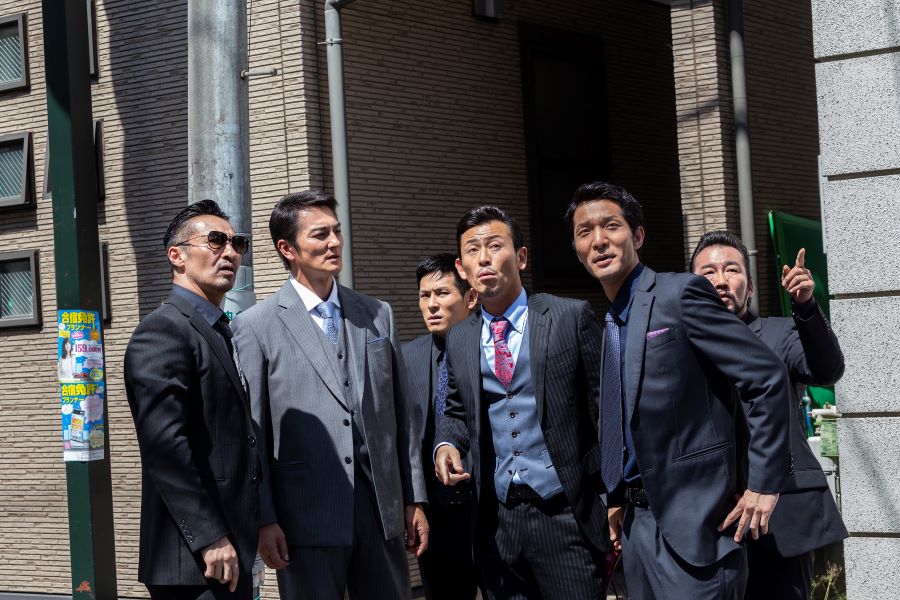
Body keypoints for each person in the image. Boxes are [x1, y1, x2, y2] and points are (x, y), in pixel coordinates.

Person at [567, 181, 793, 600]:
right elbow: (622, 415)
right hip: (637, 529)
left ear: (637, 236)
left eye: (611, 226)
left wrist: (764, 483)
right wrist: (616, 495)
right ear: (577, 250)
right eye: (585, 232)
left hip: (699, 529)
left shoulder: (680, 294)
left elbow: (766, 376)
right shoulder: (612, 321)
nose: (598, 240)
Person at [232, 190, 428, 600]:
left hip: (381, 511)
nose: (335, 242)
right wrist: (264, 519)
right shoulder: (256, 326)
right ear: (288, 249)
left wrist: (414, 498)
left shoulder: (377, 314)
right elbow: (253, 434)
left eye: (336, 231)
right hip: (304, 519)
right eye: (320, 234)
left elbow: (401, 416)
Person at [434, 206, 609, 599]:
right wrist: (446, 444)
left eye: (495, 246)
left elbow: (606, 409)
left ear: (522, 256)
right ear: (461, 268)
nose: (484, 258)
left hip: (566, 511)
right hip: (498, 523)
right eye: (472, 250)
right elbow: (456, 410)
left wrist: (610, 496)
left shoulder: (569, 317)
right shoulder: (460, 337)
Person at [690, 230, 848, 600]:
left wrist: (805, 306)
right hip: (707, 518)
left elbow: (826, 369)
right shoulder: (680, 345)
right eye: (708, 272)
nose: (721, 280)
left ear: (749, 287)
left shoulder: (780, 333)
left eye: (732, 270)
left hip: (779, 517)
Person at [123, 200, 259, 600]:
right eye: (215, 241)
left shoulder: (217, 329)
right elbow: (165, 448)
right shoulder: (162, 331)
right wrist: (209, 536)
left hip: (230, 548)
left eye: (237, 243)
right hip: (194, 561)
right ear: (176, 256)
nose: (230, 252)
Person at [403, 253, 480, 600]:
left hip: (490, 508)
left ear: (470, 297)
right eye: (424, 295)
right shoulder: (408, 357)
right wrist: (414, 502)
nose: (431, 304)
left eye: (442, 293)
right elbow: (404, 438)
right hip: (437, 513)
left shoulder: (490, 349)